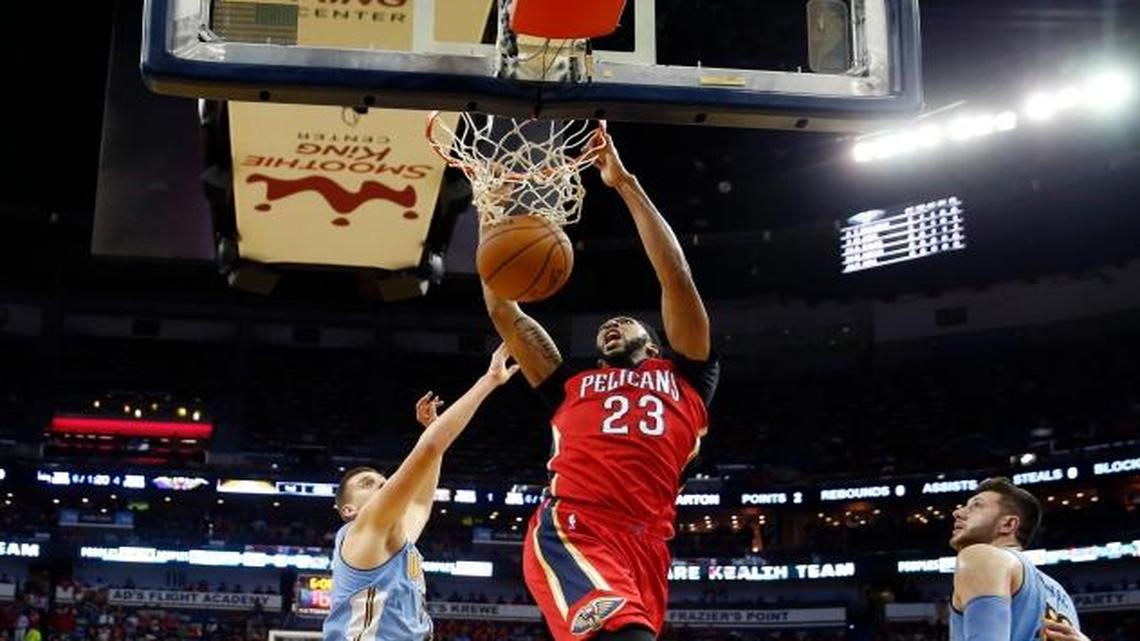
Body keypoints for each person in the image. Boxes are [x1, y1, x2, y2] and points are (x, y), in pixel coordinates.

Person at [481, 132, 719, 641]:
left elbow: (675, 274)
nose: (611, 326)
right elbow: (505, 311)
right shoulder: (570, 382)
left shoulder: (688, 376)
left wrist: (625, 184)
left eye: (625, 323)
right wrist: (492, 223)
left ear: (653, 344)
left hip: (649, 542)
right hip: (577, 526)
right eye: (604, 326)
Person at [321, 345, 519, 641]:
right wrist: (489, 380)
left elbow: (420, 506)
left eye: (381, 479)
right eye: (366, 484)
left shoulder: (392, 540)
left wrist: (435, 430)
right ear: (349, 510)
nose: (382, 484)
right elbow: (429, 448)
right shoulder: (364, 530)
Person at [949, 477, 1090, 641]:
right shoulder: (1061, 594)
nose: (957, 512)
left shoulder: (981, 556)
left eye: (976, 506)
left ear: (1008, 524)